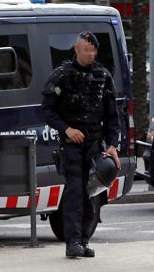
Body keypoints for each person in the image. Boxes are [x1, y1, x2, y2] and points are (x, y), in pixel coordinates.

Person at [41, 31, 121, 258]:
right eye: (86, 50)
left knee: (91, 193)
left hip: (95, 143)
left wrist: (113, 145)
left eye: (93, 50)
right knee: (75, 190)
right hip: (72, 143)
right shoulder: (61, 76)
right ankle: (73, 241)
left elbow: (113, 116)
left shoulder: (103, 76)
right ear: (76, 49)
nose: (90, 54)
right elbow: (47, 110)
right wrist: (67, 129)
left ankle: (84, 239)